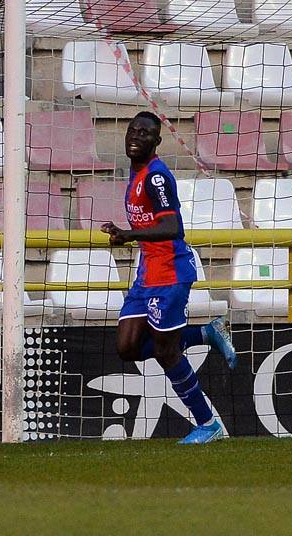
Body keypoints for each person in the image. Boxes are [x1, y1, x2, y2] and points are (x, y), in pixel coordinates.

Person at [101, 111, 238, 444]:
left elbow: (174, 226)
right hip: (147, 273)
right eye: (132, 130)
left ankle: (208, 424)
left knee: (166, 352)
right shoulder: (135, 174)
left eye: (145, 133)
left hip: (171, 274)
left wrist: (129, 234)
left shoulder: (156, 177)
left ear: (156, 141)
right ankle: (206, 333)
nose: (136, 136)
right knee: (127, 346)